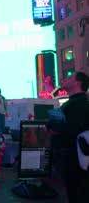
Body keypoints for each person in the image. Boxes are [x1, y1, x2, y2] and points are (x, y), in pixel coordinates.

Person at [47, 72, 89, 202]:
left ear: (78, 83)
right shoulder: (79, 102)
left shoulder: (74, 105)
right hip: (78, 158)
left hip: (73, 159)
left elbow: (58, 129)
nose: (64, 79)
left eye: (70, 78)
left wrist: (52, 128)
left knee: (76, 194)